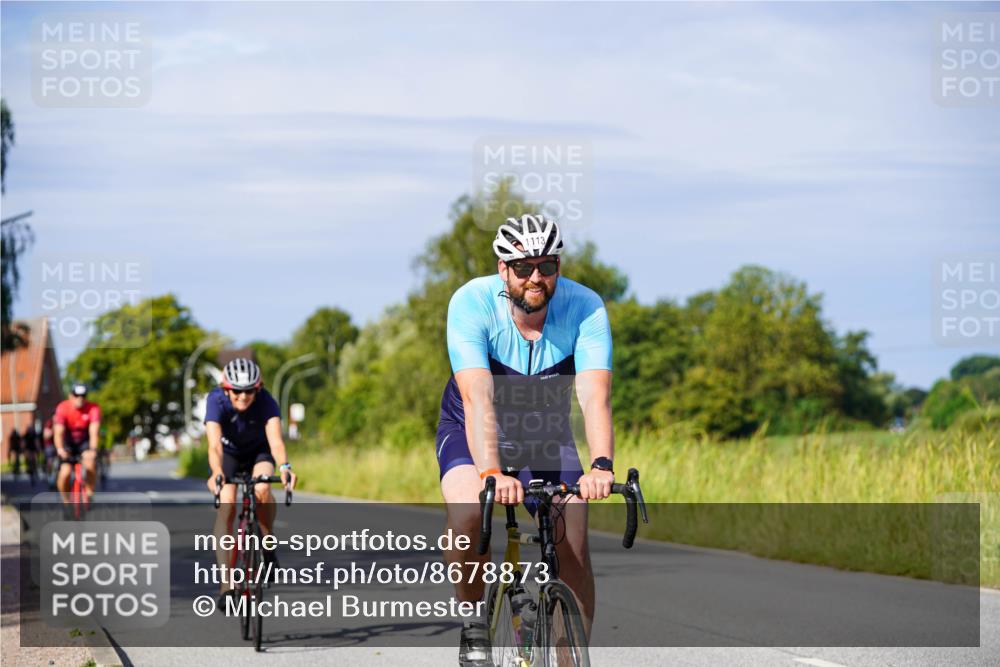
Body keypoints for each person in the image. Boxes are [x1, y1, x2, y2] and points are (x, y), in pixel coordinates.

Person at [436, 214, 615, 666]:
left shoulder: (586, 306)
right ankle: (474, 620)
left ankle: (569, 657)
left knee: (573, 538)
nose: (536, 277)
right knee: (469, 514)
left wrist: (601, 466)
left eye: (548, 265)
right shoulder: (471, 303)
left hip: (544, 433)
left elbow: (595, 398)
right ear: (503, 269)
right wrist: (493, 471)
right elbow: (478, 400)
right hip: (471, 427)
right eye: (523, 267)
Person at [204, 357, 297, 609]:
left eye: (248, 391)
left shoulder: (267, 402)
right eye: (236, 391)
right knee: (227, 506)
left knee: (263, 487)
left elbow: (276, 442)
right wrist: (216, 473)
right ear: (226, 389)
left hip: (259, 452)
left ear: (258, 389)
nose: (242, 397)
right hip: (229, 455)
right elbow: (213, 444)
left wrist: (285, 468)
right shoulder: (215, 401)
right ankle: (226, 585)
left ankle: (267, 544)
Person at [53, 384, 101, 503]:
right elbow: (58, 432)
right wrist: (60, 449)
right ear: (71, 396)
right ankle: (66, 501)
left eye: (83, 396)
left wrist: (93, 450)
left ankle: (89, 493)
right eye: (77, 395)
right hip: (67, 442)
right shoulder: (62, 407)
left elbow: (94, 432)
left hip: (84, 442)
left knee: (90, 464)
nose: (80, 398)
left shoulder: (93, 408)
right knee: (65, 473)